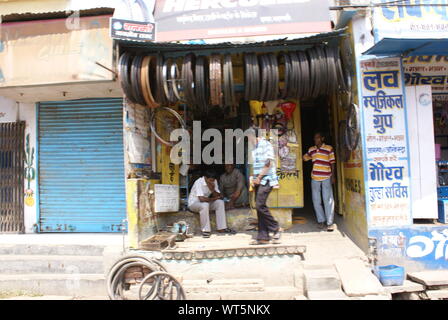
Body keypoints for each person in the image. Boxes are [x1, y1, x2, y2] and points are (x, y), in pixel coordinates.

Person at [247, 127, 281, 245]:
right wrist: (253, 178)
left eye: (248, 137)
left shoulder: (266, 145)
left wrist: (259, 177)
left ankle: (275, 227)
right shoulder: (253, 148)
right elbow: (255, 165)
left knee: (260, 205)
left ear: (253, 136)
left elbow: (268, 163)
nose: (248, 140)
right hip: (258, 181)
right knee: (259, 207)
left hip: (266, 180)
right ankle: (263, 236)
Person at [303, 132, 336, 232]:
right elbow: (305, 158)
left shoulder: (329, 148)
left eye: (317, 138)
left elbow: (332, 163)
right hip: (315, 177)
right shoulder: (311, 150)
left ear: (322, 138)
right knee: (316, 200)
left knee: (328, 200)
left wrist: (333, 176)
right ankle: (321, 220)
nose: (316, 139)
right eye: (315, 138)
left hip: (326, 176)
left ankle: (330, 223)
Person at [188, 170, 235, 238]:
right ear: (205, 178)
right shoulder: (199, 182)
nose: (211, 182)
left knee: (220, 203)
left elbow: (220, 196)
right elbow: (202, 199)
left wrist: (212, 190)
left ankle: (221, 228)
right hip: (194, 204)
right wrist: (214, 198)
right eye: (210, 180)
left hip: (205, 203)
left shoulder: (214, 181)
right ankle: (205, 231)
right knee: (205, 204)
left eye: (213, 180)